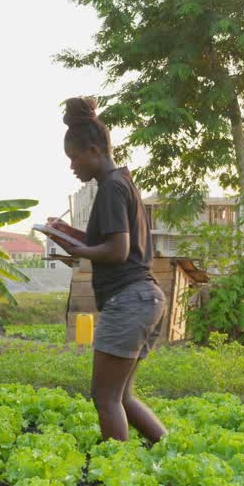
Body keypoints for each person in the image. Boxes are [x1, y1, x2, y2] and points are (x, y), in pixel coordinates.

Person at [44, 97, 167, 444]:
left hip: (129, 300)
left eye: (74, 158)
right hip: (145, 297)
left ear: (95, 150)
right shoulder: (122, 182)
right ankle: (170, 451)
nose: (73, 167)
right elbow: (116, 243)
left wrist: (79, 251)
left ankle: (117, 472)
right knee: (122, 396)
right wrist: (73, 237)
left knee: (105, 398)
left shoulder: (111, 187)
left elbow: (117, 250)